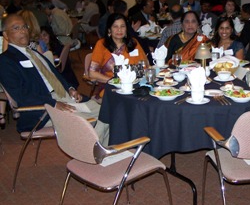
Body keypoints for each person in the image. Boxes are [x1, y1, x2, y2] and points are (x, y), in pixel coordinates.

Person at [0, 14, 108, 145]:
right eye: (16, 28)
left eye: (24, 27)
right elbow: (20, 96)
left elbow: (56, 76)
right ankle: (95, 155)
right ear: (6, 35)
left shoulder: (34, 53)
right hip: (43, 108)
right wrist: (53, 103)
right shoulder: (6, 61)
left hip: (65, 97)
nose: (22, 30)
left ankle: (104, 151)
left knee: (107, 113)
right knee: (90, 121)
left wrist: (70, 88)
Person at [89, 13, 148, 98]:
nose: (119, 30)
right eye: (115, 26)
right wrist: (115, 81)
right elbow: (92, 73)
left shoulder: (133, 43)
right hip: (111, 86)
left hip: (134, 85)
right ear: (109, 30)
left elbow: (145, 66)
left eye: (122, 26)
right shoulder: (102, 44)